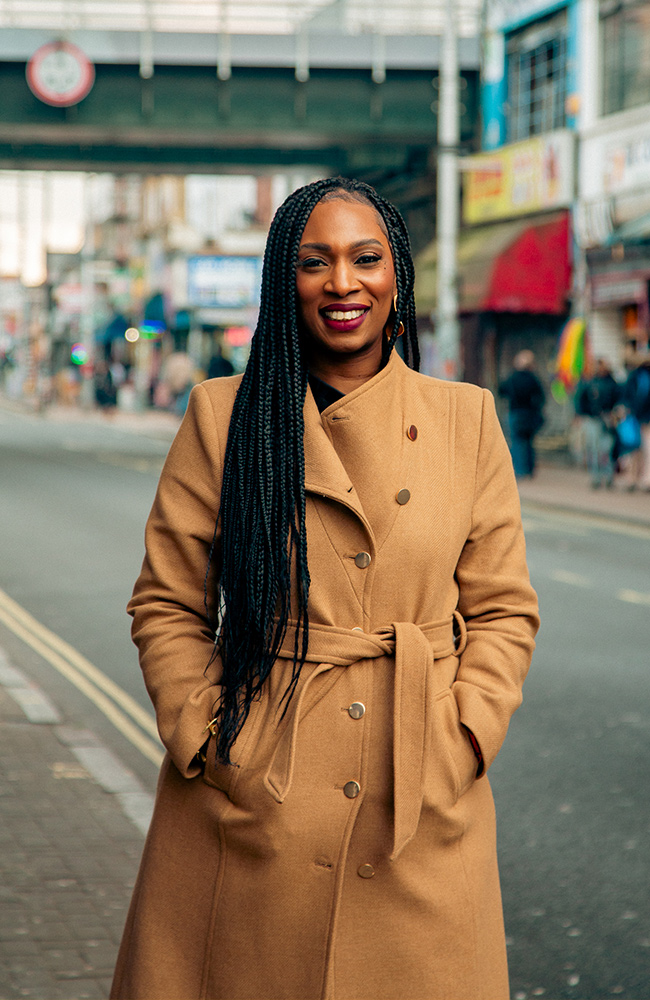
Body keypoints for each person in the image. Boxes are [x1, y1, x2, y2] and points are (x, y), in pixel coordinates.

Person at [111, 177, 539, 1000]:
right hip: (256, 786)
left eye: (365, 259)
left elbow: (502, 608)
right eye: (316, 263)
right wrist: (209, 735)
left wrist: (465, 738)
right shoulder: (223, 415)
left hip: (420, 799)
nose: (344, 283)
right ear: (286, 280)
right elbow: (167, 602)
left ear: (397, 276)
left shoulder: (466, 419)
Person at [498, 349, 546, 478]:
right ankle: (529, 470)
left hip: (516, 413)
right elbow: (541, 396)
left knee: (517, 442)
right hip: (530, 414)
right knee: (529, 442)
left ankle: (519, 470)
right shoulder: (533, 378)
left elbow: (502, 390)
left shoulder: (513, 377)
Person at [574, 358, 620, 488]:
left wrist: (615, 414)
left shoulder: (612, 383)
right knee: (593, 449)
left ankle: (609, 475)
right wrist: (581, 415)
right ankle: (596, 477)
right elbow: (580, 400)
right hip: (592, 419)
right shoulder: (589, 382)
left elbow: (619, 399)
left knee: (607, 448)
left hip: (608, 420)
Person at [621, 354, 650, 491]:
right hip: (634, 420)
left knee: (647, 450)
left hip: (647, 420)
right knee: (633, 450)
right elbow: (627, 398)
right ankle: (631, 479)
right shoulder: (634, 377)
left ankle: (646, 480)